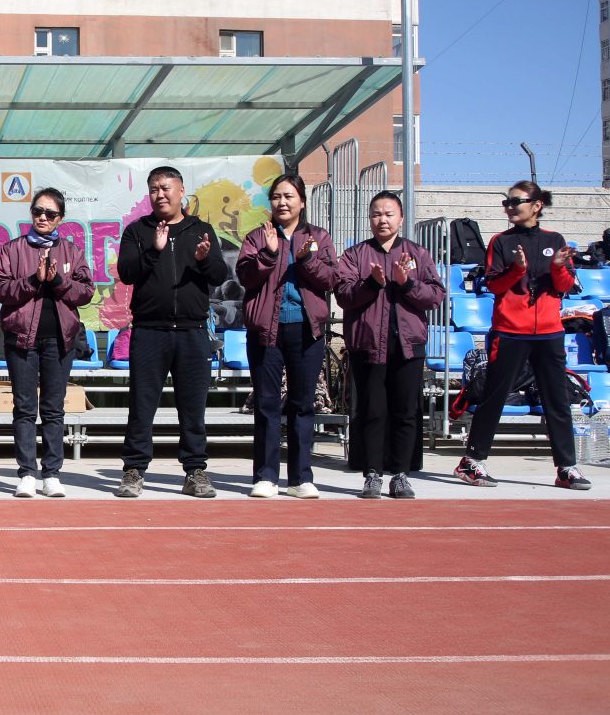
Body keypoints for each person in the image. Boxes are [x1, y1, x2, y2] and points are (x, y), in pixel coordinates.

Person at [454, 182, 592, 490]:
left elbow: (565, 286)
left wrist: (558, 267)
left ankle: (566, 467)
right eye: (507, 202)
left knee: (557, 399)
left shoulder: (555, 240)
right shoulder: (501, 241)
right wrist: (517, 270)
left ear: (537, 204)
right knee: (495, 396)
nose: (510, 207)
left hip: (549, 333)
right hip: (510, 331)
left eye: (516, 201)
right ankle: (471, 461)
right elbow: (494, 286)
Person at [114, 166, 229, 498]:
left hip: (192, 332)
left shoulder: (201, 230)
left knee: (193, 408)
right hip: (149, 331)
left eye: (166, 188)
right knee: (141, 406)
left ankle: (195, 471)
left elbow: (219, 275)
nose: (160, 194)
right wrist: (154, 249)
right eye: (154, 189)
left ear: (181, 191)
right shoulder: (137, 230)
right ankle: (134, 470)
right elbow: (127, 272)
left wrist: (205, 259)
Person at [334, 191, 444, 498]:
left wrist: (406, 283)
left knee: (406, 411)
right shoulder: (355, 255)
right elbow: (343, 295)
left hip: (408, 345)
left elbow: (435, 295)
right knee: (372, 410)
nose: (382, 220)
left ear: (401, 219)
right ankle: (372, 473)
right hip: (368, 344)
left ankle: (401, 474)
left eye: (388, 214)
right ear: (369, 219)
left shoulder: (417, 254)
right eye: (376, 214)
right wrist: (372, 283)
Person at [236, 174, 338, 499]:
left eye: (289, 196)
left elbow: (331, 279)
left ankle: (300, 478)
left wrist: (307, 260)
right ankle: (266, 477)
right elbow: (245, 276)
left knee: (302, 404)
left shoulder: (318, 237)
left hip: (307, 331)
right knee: (267, 404)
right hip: (266, 331)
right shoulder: (257, 236)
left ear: (302, 202)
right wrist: (268, 254)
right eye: (277, 196)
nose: (282, 202)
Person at [0, 188, 95, 499]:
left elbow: (86, 292)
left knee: (53, 409)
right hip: (21, 339)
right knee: (24, 408)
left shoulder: (72, 251)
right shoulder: (13, 249)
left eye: (50, 213)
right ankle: (26, 473)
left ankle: (51, 473)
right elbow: (0, 289)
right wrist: (34, 280)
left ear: (60, 218)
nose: (43, 218)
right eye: (38, 211)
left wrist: (58, 281)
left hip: (60, 340)